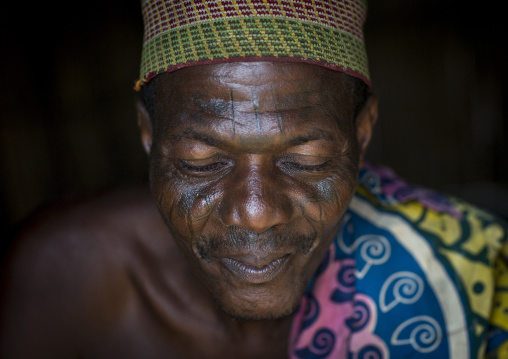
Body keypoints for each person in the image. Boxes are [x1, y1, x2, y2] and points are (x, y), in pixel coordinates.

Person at [1, 0, 507, 358]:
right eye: (202, 161)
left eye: (306, 160)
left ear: (363, 131)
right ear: (147, 134)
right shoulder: (65, 279)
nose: (257, 213)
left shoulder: (459, 278)